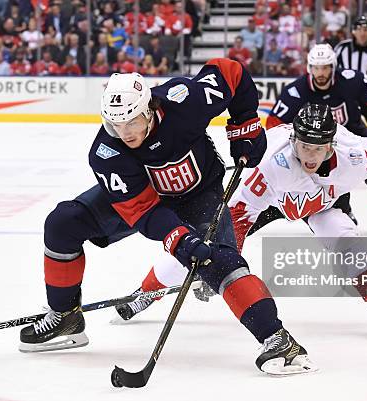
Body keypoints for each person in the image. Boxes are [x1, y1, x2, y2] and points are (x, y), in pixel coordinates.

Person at [18, 58, 317, 376]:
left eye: (131, 122)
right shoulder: (108, 152)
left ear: (148, 109)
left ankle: (278, 341)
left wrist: (245, 126)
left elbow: (231, 71)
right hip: (146, 199)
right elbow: (143, 211)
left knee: (221, 262)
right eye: (114, 124)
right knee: (63, 222)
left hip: (199, 195)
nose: (124, 132)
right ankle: (65, 315)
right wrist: (180, 238)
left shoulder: (185, 99)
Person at [126, 104, 367, 338]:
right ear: (293, 139)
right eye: (303, 146)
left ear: (332, 145)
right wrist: (219, 266)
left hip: (323, 202)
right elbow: (238, 216)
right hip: (271, 201)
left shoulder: (354, 153)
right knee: (200, 244)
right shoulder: (273, 161)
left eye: (318, 148)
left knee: (346, 238)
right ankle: (146, 292)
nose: (309, 155)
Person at [266, 44, 367, 232]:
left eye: (325, 68)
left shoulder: (350, 80)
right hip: (320, 146)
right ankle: (343, 215)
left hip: (355, 137)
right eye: (316, 68)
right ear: (309, 68)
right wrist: (291, 149)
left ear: (334, 67)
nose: (320, 73)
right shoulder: (296, 91)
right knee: (326, 182)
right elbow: (274, 124)